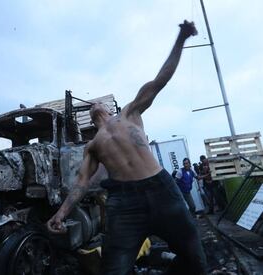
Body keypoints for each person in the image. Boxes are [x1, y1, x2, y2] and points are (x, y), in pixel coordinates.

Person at [47, 20, 206, 275]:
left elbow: (160, 80)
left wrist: (181, 38)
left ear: (109, 109)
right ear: (91, 116)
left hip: (161, 189)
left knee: (195, 259)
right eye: (93, 104)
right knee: (114, 268)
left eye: (100, 102)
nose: (97, 103)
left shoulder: (130, 113)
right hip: (124, 202)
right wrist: (61, 214)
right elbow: (82, 182)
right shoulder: (93, 145)